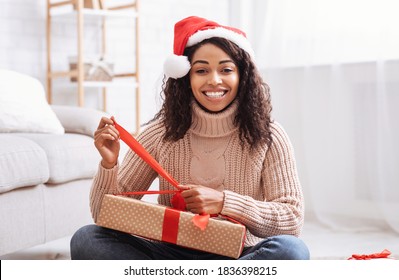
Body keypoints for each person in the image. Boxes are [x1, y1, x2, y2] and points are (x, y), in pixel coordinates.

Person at [70, 16, 310, 260]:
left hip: (241, 254)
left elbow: (291, 220)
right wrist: (109, 164)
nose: (214, 80)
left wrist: (224, 202)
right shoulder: (161, 133)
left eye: (226, 69)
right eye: (202, 70)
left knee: (291, 250)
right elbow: (104, 215)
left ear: (243, 76)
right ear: (186, 77)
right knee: (87, 239)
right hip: (169, 251)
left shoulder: (269, 136)